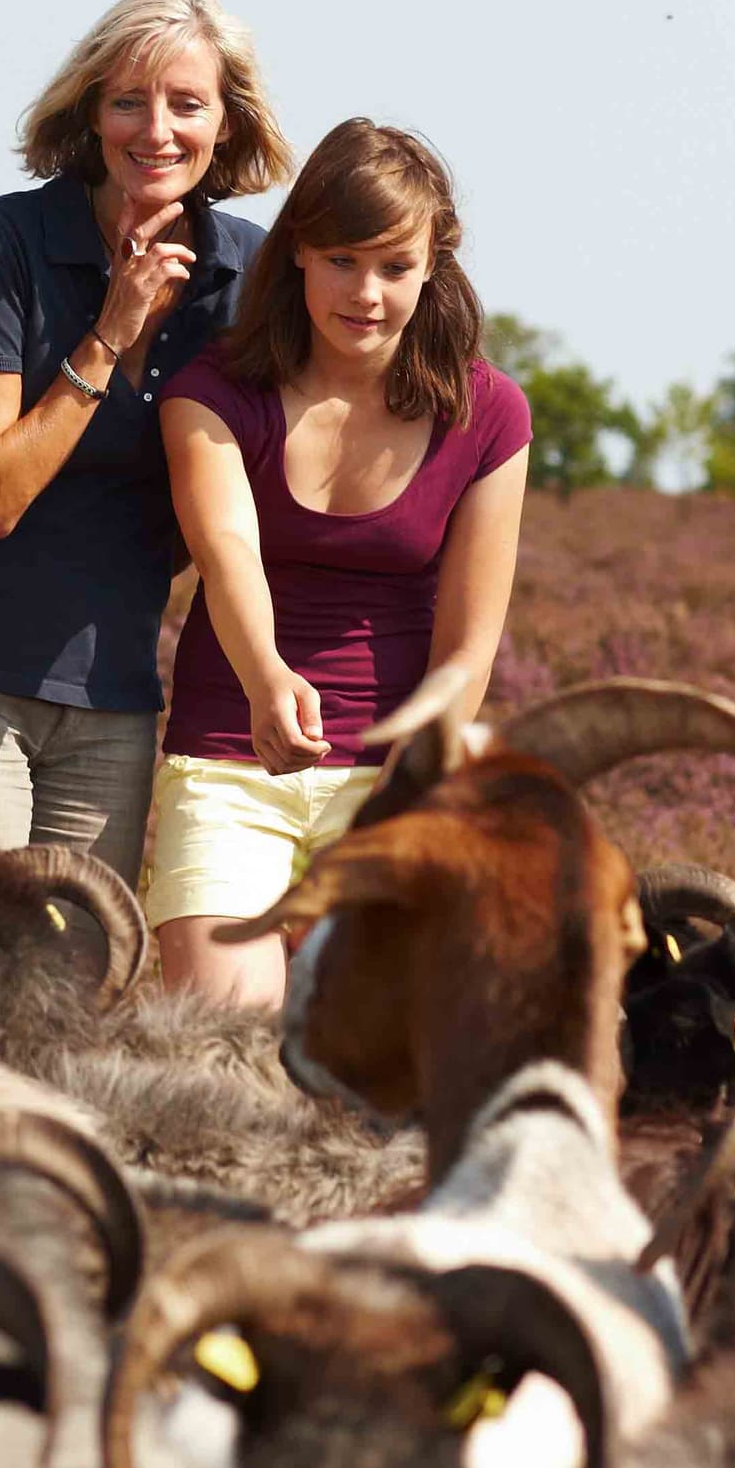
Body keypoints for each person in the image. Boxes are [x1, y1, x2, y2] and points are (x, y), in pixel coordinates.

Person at [0, 0, 295, 887]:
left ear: (227, 124)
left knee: (78, 977)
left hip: (114, 693)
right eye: (128, 101)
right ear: (90, 114)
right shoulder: (4, 240)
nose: (157, 130)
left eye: (187, 104)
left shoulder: (251, 273)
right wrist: (110, 332)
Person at [150, 119, 531, 1004]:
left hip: (396, 783)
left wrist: (412, 781)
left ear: (433, 266)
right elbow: (227, 547)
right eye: (343, 262)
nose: (367, 294)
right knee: (221, 1060)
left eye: (395, 267)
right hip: (229, 762)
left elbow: (470, 647)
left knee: (365, 1079)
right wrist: (266, 678)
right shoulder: (210, 392)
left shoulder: (491, 415)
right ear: (298, 257)